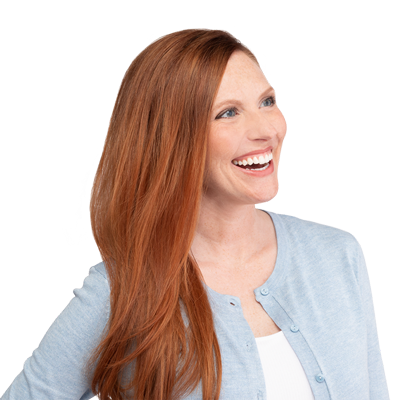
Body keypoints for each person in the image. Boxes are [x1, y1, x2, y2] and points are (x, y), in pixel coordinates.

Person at [1, 28, 389, 400]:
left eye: (267, 101)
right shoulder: (123, 289)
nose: (266, 131)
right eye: (228, 113)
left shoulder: (338, 256)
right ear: (172, 139)